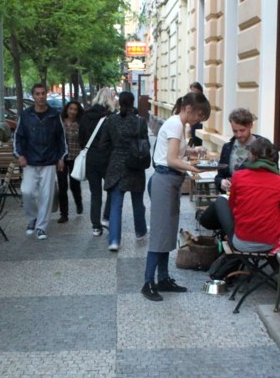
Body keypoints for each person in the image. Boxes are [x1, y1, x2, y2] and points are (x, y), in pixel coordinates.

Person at [142, 91, 211, 301]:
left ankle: (163, 278)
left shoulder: (180, 125)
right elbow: (171, 160)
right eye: (199, 115)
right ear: (188, 108)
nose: (199, 120)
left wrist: (191, 154)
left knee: (168, 233)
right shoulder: (175, 124)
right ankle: (148, 283)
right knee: (160, 235)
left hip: (170, 181)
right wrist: (193, 169)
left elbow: (173, 154)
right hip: (165, 180)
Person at [13, 83, 67, 240]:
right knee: (26, 191)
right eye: (37, 94)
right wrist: (20, 155)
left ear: (47, 95)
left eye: (43, 93)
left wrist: (61, 157)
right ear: (33, 96)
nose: (41, 96)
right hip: (30, 160)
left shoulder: (54, 115)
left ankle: (41, 227)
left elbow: (61, 138)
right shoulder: (26, 115)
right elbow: (18, 137)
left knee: (46, 196)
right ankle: (33, 219)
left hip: (49, 161)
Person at [227, 137, 280, 252]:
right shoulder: (279, 181)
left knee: (221, 204)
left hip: (242, 241)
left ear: (252, 155)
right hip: (270, 241)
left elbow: (231, 206)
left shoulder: (238, 176)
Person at [102, 91, 148, 252]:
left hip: (116, 165)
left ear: (119, 103)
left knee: (116, 204)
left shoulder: (111, 121)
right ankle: (140, 232)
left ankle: (114, 240)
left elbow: (104, 144)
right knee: (137, 202)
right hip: (135, 164)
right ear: (133, 102)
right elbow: (145, 144)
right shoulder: (140, 122)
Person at [80, 88, 118, 236]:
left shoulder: (86, 115)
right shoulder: (111, 117)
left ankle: (96, 226)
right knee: (111, 190)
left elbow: (81, 138)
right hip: (108, 158)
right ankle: (106, 218)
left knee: (95, 194)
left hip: (91, 158)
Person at [57, 101, 84, 223]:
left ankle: (79, 203)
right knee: (62, 186)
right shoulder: (60, 123)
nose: (72, 111)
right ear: (67, 109)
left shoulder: (80, 124)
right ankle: (64, 213)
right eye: (71, 109)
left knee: (74, 185)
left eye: (75, 109)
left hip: (75, 158)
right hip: (62, 159)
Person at [188, 82, 205, 149]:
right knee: (195, 142)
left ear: (200, 91)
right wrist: (189, 126)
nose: (194, 93)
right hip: (193, 125)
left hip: (201, 125)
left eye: (196, 91)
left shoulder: (203, 101)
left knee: (200, 144)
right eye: (192, 91)